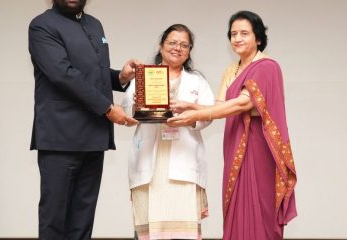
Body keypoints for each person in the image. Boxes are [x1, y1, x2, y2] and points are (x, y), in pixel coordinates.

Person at [167, 11, 297, 240]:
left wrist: (198, 114)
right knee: (236, 205)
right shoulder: (232, 69)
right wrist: (190, 107)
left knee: (260, 207)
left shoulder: (267, 66)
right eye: (233, 34)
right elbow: (220, 105)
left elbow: (241, 104)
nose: (237, 38)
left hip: (258, 149)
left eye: (244, 33)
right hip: (235, 144)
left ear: (258, 38)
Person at [28, 0, 139, 239]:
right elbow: (63, 75)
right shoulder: (42, 26)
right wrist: (109, 108)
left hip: (94, 137)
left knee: (83, 219)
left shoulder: (94, 25)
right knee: (54, 219)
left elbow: (94, 74)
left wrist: (120, 76)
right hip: (60, 139)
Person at [122, 24, 214, 240]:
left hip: (184, 165)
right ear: (161, 46)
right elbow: (126, 116)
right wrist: (136, 104)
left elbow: (210, 114)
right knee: (150, 230)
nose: (177, 48)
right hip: (149, 166)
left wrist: (189, 116)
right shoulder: (143, 78)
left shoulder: (197, 82)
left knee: (184, 232)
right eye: (172, 43)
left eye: (184, 45)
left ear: (189, 50)